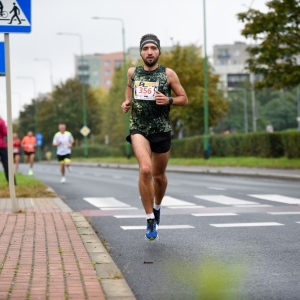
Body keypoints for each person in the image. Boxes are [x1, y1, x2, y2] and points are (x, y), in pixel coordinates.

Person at [121, 34, 188, 241]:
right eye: (145, 48)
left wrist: (168, 99)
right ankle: (150, 219)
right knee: (146, 170)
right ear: (141, 52)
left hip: (161, 129)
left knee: (158, 176)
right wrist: (127, 102)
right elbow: (129, 89)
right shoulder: (133, 72)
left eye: (153, 48)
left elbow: (184, 99)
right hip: (139, 128)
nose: (149, 52)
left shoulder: (168, 74)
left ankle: (157, 206)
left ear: (158, 51)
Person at [0, 117, 16, 185]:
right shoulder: (1, 121)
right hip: (1, 145)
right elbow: (6, 133)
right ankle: (12, 183)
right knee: (6, 164)